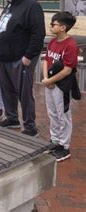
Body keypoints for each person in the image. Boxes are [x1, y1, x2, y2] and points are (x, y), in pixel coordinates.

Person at [0, 0, 46, 137]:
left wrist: (28, 56)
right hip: (3, 57)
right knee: (7, 90)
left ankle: (30, 126)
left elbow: (38, 34)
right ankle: (12, 118)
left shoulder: (32, 6)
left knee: (24, 93)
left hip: (20, 58)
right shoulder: (9, 6)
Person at [42, 12, 79, 161]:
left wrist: (51, 81)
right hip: (49, 83)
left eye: (53, 24)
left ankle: (64, 146)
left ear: (63, 27)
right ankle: (55, 141)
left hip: (61, 85)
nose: (51, 26)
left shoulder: (70, 45)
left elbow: (67, 69)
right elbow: (46, 59)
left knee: (63, 115)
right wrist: (46, 78)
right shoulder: (52, 41)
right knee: (52, 113)